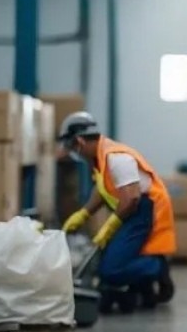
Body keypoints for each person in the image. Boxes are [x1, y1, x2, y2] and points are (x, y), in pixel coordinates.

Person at [58, 112, 176, 313]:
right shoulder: (100, 158)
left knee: (111, 270)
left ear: (79, 141)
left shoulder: (116, 158)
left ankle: (156, 267)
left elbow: (132, 198)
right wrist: (84, 214)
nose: (74, 153)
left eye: (72, 147)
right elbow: (102, 189)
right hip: (130, 210)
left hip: (142, 210)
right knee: (108, 260)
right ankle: (142, 285)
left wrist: (110, 226)